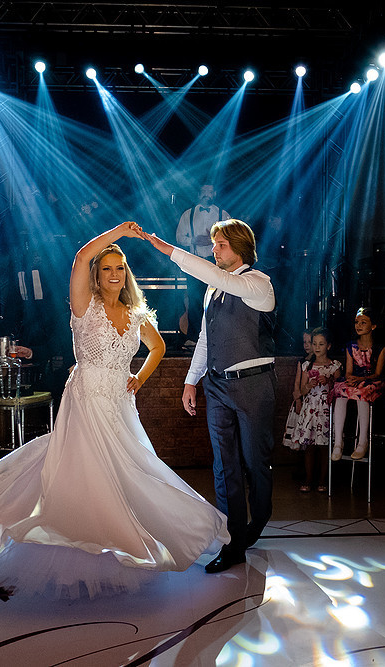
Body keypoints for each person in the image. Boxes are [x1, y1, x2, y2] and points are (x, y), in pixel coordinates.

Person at [0, 221, 229, 598]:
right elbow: (81, 257)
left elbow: (158, 347)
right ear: (97, 275)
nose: (114, 273)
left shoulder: (135, 313)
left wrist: (139, 378)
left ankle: (120, 548)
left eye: (119, 268)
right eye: (107, 268)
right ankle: (74, 554)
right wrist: (119, 233)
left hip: (119, 404)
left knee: (127, 473)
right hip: (86, 397)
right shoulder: (84, 306)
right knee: (85, 473)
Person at [142, 219, 276, 574]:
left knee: (255, 462)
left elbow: (222, 279)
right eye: (213, 244)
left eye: (221, 245)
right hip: (216, 386)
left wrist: (168, 250)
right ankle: (233, 542)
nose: (214, 250)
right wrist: (191, 381)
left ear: (240, 248)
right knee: (224, 465)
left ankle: (259, 519)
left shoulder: (258, 284)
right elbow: (205, 338)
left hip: (253, 385)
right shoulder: (213, 290)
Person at [285, 327, 341, 493]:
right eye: (314, 343)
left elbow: (340, 390)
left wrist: (329, 381)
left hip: (326, 410)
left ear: (328, 346)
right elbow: (301, 390)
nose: (317, 347)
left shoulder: (334, 366)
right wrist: (309, 385)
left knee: (324, 447)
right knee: (309, 447)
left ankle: (323, 480)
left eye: (321, 344)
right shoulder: (307, 365)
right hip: (310, 409)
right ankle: (309, 479)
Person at [175, 184, 231, 347]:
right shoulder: (188, 214)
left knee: (218, 299)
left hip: (217, 263)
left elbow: (232, 237)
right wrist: (193, 240)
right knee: (194, 300)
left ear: (215, 193)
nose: (207, 194)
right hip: (195, 261)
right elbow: (179, 237)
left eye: (210, 191)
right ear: (199, 194)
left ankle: (217, 337)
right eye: (204, 191)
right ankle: (193, 337)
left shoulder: (223, 215)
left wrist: (214, 241)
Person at [330, 307, 385, 462]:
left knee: (362, 393)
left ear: (373, 326)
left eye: (363, 322)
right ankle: (338, 442)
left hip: (371, 381)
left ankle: (362, 442)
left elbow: (377, 373)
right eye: (357, 322)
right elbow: (348, 371)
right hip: (355, 380)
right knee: (341, 392)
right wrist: (352, 379)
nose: (359, 325)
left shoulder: (379, 348)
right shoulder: (351, 346)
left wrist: (361, 379)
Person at [282, 329, 314, 446]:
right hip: (302, 399)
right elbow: (297, 383)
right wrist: (298, 400)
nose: (306, 345)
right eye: (304, 342)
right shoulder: (302, 362)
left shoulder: (318, 362)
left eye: (309, 342)